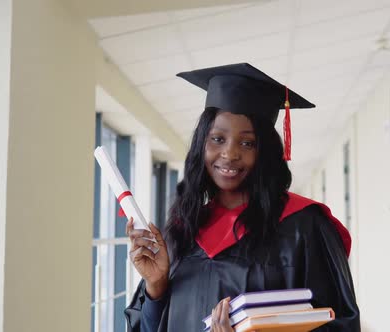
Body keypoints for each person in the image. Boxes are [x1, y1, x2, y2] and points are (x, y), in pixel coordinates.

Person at [124, 63, 360, 331]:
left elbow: (340, 324)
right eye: (217, 139)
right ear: (202, 144)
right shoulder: (182, 231)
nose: (230, 154)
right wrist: (157, 286)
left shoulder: (304, 226)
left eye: (247, 143)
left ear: (266, 152)